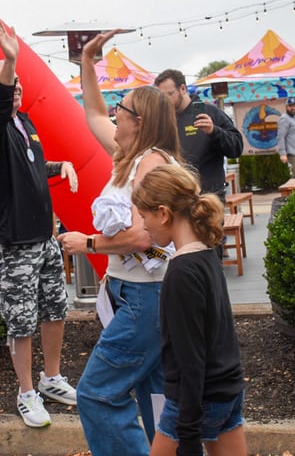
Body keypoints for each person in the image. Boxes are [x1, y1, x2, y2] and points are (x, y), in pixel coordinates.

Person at [57, 30, 183, 456]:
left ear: (140, 121)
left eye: (122, 110)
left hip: (145, 299)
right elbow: (91, 111)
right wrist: (87, 63)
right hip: (135, 295)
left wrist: (88, 242)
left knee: (96, 394)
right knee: (155, 396)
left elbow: (146, 235)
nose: (114, 113)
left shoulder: (150, 164)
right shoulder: (129, 153)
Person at [0, 18, 79, 428]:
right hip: (12, 240)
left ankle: (52, 379)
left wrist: (61, 164)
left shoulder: (25, 123)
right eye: (7, 84)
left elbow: (32, 166)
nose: (16, 89)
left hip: (43, 236)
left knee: (55, 308)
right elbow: (0, 107)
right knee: (20, 319)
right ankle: (27, 392)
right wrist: (10, 57)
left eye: (17, 84)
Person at [132, 163, 247, 456]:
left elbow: (189, 358)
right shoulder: (207, 255)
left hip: (193, 401)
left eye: (144, 216)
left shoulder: (180, 273)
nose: (143, 225)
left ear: (163, 213)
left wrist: (189, 437)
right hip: (229, 389)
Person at [153, 69, 243, 203]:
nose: (165, 100)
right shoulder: (163, 121)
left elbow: (236, 148)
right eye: (162, 96)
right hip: (178, 199)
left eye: (169, 94)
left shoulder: (210, 112)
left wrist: (214, 131)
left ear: (183, 89)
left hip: (209, 199)